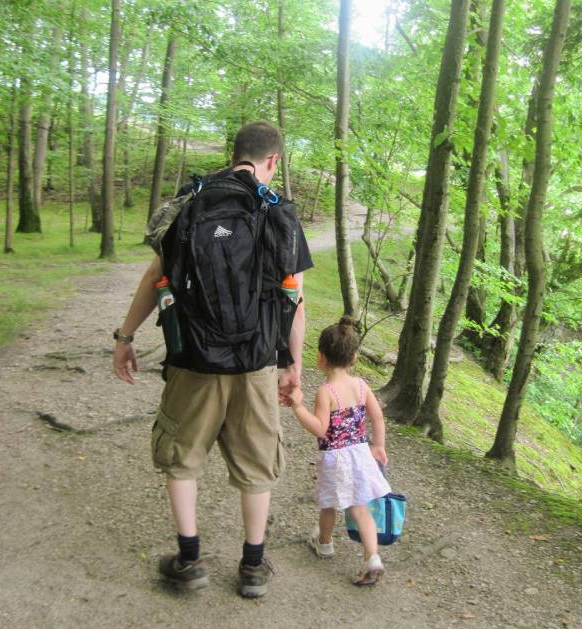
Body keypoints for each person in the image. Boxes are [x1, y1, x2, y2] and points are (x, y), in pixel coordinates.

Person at [112, 121, 312, 598]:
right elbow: (295, 299)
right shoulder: (278, 213)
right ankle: (253, 567)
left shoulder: (190, 204)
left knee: (181, 459)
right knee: (257, 465)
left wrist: (125, 336)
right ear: (273, 161)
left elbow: (154, 278)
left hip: (193, 360)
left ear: (234, 153)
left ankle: (189, 559)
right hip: (257, 361)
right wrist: (293, 365)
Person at [287, 316, 390, 585]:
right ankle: (373, 557)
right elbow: (377, 418)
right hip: (360, 452)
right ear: (355, 357)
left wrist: (298, 407)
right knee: (360, 508)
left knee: (329, 504)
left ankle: (324, 543)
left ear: (320, 357)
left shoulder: (326, 391)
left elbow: (320, 429)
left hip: (335, 457)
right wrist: (378, 446)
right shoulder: (361, 386)